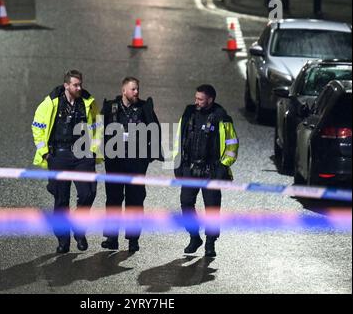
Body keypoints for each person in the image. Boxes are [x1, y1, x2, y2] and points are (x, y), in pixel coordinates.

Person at [31, 70, 101, 253]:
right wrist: (45, 152)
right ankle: (63, 241)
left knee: (88, 193)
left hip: (82, 154)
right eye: (75, 85)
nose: (79, 88)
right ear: (66, 86)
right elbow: (37, 127)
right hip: (59, 154)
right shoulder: (51, 103)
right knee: (61, 199)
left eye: (80, 84)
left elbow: (97, 127)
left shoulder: (88, 103)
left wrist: (93, 151)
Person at [173, 84, 239, 257]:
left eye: (200, 99)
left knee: (212, 208)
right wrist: (177, 163)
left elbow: (232, 144)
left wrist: (223, 166)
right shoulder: (189, 113)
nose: (196, 101)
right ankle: (194, 237)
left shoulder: (221, 117)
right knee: (186, 203)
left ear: (210, 100)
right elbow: (179, 139)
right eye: (196, 98)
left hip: (211, 170)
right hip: (190, 167)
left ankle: (210, 243)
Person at [100, 77, 163, 253]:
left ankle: (133, 240)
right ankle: (112, 238)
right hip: (115, 161)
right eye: (133, 89)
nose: (137, 92)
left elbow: (155, 130)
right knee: (113, 199)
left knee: (135, 200)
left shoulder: (144, 108)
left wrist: (148, 157)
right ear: (124, 91)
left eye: (137, 89)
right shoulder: (110, 108)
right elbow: (98, 130)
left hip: (136, 161)